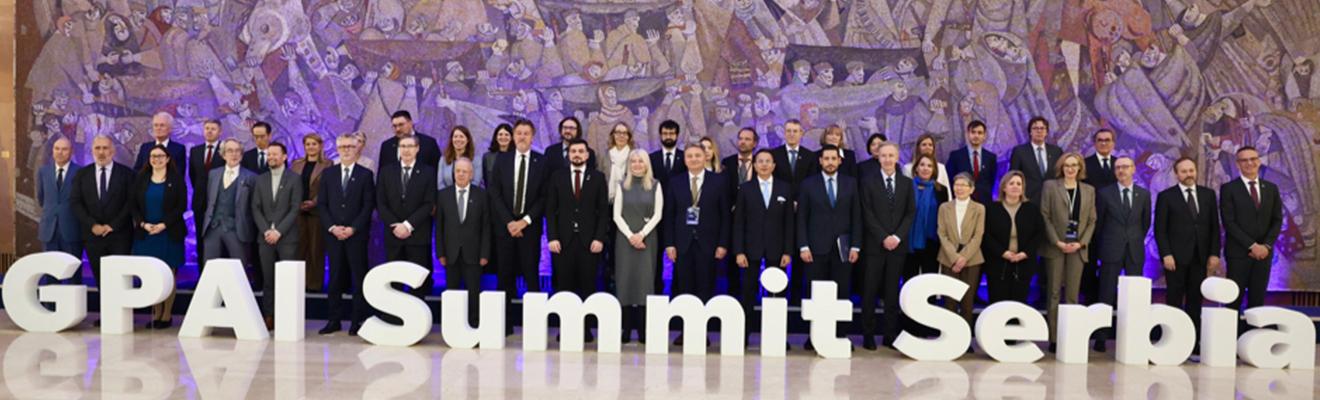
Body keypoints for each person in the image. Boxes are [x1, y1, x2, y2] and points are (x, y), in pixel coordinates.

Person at [664, 145, 731, 345]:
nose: (693, 159)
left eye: (697, 156)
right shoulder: (675, 182)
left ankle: (702, 332)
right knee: (684, 288)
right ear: (685, 160)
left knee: (706, 287)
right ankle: (686, 331)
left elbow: (725, 216)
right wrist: (669, 244)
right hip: (682, 244)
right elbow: (669, 215)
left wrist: (722, 244)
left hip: (709, 244)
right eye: (690, 156)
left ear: (705, 158)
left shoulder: (719, 181)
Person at [796, 144, 862, 349]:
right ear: (820, 161)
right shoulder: (808, 184)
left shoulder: (851, 183)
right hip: (815, 249)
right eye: (826, 158)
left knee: (842, 292)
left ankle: (840, 336)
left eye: (834, 158)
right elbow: (802, 219)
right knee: (815, 293)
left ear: (840, 161)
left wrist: (856, 246)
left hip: (843, 249)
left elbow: (857, 217)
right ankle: (814, 337)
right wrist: (803, 246)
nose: (830, 162)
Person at [489, 119, 550, 331]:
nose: (522, 137)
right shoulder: (502, 160)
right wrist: (509, 222)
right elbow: (494, 192)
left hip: (529, 229)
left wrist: (524, 222)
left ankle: (534, 327)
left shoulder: (542, 162)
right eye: (519, 133)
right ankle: (503, 325)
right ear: (513, 137)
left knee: (531, 276)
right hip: (505, 229)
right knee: (504, 276)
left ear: (532, 137)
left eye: (526, 133)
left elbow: (544, 197)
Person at [1154, 156, 1220, 349]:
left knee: (1195, 300)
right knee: (1174, 298)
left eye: (1191, 170)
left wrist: (1214, 253)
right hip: (1175, 258)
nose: (1188, 174)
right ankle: (1172, 340)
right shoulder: (1166, 196)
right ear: (1176, 174)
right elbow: (1160, 229)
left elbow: (1214, 227)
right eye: (1184, 171)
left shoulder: (1208, 195)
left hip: (1200, 258)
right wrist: (1166, 254)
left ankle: (1193, 341)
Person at [546, 139, 611, 328]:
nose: (577, 154)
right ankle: (566, 328)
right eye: (573, 151)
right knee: (564, 287)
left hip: (589, 242)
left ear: (587, 155)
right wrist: (552, 237)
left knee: (588, 286)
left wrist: (599, 238)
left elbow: (603, 212)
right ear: (568, 154)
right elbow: (550, 210)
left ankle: (586, 329)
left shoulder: (597, 177)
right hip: (563, 242)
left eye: (580, 151)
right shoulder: (557, 177)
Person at [732, 149, 793, 347]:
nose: (764, 164)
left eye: (768, 161)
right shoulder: (746, 189)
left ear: (774, 165)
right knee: (748, 294)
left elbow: (789, 223)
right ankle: (744, 337)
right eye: (760, 161)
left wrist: (787, 251)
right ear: (755, 165)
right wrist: (739, 251)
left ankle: (777, 338)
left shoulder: (785, 188)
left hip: (777, 251)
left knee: (777, 296)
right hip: (751, 250)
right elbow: (739, 222)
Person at [317, 134, 377, 336]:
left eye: (350, 146)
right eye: (342, 147)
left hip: (356, 236)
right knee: (334, 277)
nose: (346, 150)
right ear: (337, 149)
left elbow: (368, 206)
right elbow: (322, 204)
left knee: (358, 277)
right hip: (333, 235)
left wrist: (353, 228)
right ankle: (333, 320)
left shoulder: (365, 174)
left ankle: (356, 321)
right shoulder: (329, 174)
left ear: (357, 148)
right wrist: (332, 227)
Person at [858, 142, 915, 350]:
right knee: (870, 291)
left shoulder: (907, 183)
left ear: (897, 157)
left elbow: (910, 213)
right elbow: (867, 213)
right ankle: (868, 334)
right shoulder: (867, 182)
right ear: (878, 158)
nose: (888, 159)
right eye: (884, 156)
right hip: (875, 245)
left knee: (892, 292)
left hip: (897, 247)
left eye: (891, 155)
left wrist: (897, 237)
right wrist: (883, 236)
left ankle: (890, 335)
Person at [1039, 152, 1097, 352]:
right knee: (1054, 293)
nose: (1070, 168)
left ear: (1080, 168)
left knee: (1072, 294)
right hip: (1055, 246)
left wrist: (1082, 243)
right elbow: (1044, 215)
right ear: (1061, 167)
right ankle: (1054, 338)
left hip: (1077, 248)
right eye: (1067, 165)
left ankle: (1069, 336)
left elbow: (1092, 220)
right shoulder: (1050, 186)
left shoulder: (1089, 190)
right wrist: (1056, 241)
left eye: (1074, 165)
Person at [1092, 157, 1150, 352]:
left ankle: (1133, 336)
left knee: (1134, 295)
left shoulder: (1143, 194)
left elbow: (1145, 222)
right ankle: (1101, 336)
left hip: (1134, 249)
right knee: (1106, 292)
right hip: (1111, 248)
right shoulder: (1104, 193)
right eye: (1118, 167)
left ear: (1133, 169)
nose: (1121, 170)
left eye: (1125, 167)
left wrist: (1133, 238)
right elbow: (1098, 224)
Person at [131, 145, 187, 329]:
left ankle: (167, 314)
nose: (157, 159)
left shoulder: (176, 180)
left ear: (168, 159)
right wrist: (143, 224)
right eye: (153, 156)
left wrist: (163, 225)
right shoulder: (141, 178)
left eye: (161, 156)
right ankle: (156, 314)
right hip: (146, 234)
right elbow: (134, 207)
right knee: (153, 276)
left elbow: (181, 206)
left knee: (169, 275)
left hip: (169, 233)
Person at [1219, 146, 1282, 311]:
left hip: (1264, 255)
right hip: (1238, 254)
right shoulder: (1228, 189)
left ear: (1259, 161)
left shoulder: (1271, 188)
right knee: (1233, 300)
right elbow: (1229, 223)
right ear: (1238, 164)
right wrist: (1252, 246)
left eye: (1253, 159)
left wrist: (1266, 246)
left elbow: (1277, 220)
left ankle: (1254, 334)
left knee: (1257, 301)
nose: (1249, 163)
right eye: (1244, 160)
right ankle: (1231, 336)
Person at [71, 135, 135, 292]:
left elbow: (131, 203)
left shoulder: (127, 174)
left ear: (112, 151)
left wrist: (113, 225)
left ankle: (121, 316)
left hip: (120, 235)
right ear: (92, 151)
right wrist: (92, 225)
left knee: (120, 278)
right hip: (93, 236)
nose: (101, 152)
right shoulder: (82, 174)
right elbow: (76, 202)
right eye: (97, 148)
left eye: (105, 148)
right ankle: (106, 316)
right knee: (101, 278)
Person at [378, 135, 439, 296]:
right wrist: (396, 225)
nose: (406, 150)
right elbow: (381, 203)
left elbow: (428, 203)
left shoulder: (428, 172)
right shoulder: (386, 172)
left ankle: (418, 319)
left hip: (417, 234)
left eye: (410, 146)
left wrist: (407, 225)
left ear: (417, 149)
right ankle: (394, 318)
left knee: (417, 283)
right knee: (394, 282)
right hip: (393, 235)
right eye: (403, 146)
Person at [614, 149, 664, 344]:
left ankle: (643, 330)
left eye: (640, 161)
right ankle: (626, 329)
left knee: (645, 282)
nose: (636, 164)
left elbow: (658, 214)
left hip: (647, 239)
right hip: (625, 240)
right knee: (625, 281)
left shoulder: (655, 185)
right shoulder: (621, 186)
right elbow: (616, 215)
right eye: (633, 161)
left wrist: (641, 234)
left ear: (646, 164)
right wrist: (631, 236)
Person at [251, 142, 303, 330]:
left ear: (284, 157)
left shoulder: (295, 179)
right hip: (264, 238)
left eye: (275, 154)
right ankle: (269, 316)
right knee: (268, 279)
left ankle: (287, 316)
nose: (271, 157)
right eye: (268, 155)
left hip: (287, 237)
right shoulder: (260, 179)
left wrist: (278, 231)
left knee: (287, 280)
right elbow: (255, 208)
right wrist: (267, 231)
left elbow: (294, 208)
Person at [436, 158, 491, 328]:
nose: (460, 174)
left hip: (474, 254)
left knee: (474, 291)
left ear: (471, 174)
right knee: (451, 291)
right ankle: (452, 326)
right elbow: (439, 227)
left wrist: (484, 254)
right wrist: (440, 253)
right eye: (458, 171)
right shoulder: (443, 195)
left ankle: (474, 324)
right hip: (451, 254)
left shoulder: (481, 195)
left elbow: (486, 227)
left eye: (464, 171)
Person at [902, 154, 949, 337]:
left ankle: (927, 325)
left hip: (931, 244)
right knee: (909, 285)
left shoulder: (941, 190)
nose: (925, 168)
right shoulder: (906, 187)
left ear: (934, 170)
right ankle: (908, 326)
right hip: (909, 244)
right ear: (916, 168)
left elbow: (944, 216)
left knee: (928, 286)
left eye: (929, 165)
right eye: (922, 165)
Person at [773, 119, 820, 303]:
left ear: (802, 133)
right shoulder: (774, 155)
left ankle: (797, 299)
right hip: (779, 213)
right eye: (789, 130)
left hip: (803, 212)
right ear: (784, 133)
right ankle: (778, 297)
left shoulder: (810, 156)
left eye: (795, 131)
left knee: (802, 257)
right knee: (779, 256)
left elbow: (812, 183)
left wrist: (800, 202)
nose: (792, 134)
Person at [201, 139, 257, 273]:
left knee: (239, 270)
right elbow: (210, 199)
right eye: (230, 151)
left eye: (238, 151)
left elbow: (253, 206)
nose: (234, 154)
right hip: (213, 227)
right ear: (223, 154)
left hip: (237, 230)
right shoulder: (213, 174)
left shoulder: (251, 177)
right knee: (209, 269)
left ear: (242, 155)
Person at [938, 173, 985, 328]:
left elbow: (978, 235)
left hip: (972, 259)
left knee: (967, 300)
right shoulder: (944, 207)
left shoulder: (979, 208)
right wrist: (954, 257)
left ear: (971, 189)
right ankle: (949, 336)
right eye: (956, 184)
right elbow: (942, 233)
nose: (959, 188)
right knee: (949, 300)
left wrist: (963, 257)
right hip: (948, 257)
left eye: (963, 185)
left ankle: (964, 338)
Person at [1080, 129, 1119, 304]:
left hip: (1113, 224)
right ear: (1094, 143)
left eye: (1107, 140)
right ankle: (1090, 301)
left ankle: (1108, 302)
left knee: (1110, 266)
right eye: (1100, 140)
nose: (1104, 143)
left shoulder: (1120, 165)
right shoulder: (1085, 164)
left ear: (1113, 143)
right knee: (1089, 265)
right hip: (1090, 222)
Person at [38, 138, 84, 281]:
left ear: (71, 151)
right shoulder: (43, 171)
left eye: (64, 149)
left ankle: (74, 304)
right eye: (57, 148)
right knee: (50, 274)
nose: (60, 152)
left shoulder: (81, 172)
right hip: (49, 230)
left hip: (72, 230)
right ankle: (51, 304)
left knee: (73, 275)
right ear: (52, 151)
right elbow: (41, 198)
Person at [648, 119, 684, 293]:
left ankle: (677, 292)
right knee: (655, 256)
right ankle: (655, 291)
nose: (668, 136)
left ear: (677, 135)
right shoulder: (650, 158)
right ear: (660, 135)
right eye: (665, 133)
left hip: (678, 216)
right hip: (654, 215)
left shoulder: (685, 158)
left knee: (678, 256)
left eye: (671, 133)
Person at [293, 133, 331, 292]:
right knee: (300, 249)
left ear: (320, 145)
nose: (311, 147)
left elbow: (327, 187)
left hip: (317, 212)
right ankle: (300, 283)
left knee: (316, 250)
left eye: (314, 144)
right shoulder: (296, 164)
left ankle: (314, 285)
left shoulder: (328, 165)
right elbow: (291, 185)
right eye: (308, 144)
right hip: (298, 212)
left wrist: (314, 202)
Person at [188, 120, 224, 263]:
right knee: (201, 238)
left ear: (220, 131)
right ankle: (203, 274)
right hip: (200, 203)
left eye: (213, 129)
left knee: (218, 239)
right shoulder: (195, 151)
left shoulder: (225, 150)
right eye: (207, 128)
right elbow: (193, 176)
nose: (209, 131)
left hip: (220, 203)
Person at [1008, 117, 1063, 203]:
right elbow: (1013, 175)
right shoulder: (1019, 151)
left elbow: (1060, 175)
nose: (1039, 131)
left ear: (1046, 132)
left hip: (1052, 199)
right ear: (1030, 132)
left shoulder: (1056, 151)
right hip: (1027, 199)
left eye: (1042, 128)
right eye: (1035, 128)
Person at [945, 121, 997, 204]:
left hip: (984, 203)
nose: (976, 135)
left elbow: (991, 180)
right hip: (961, 201)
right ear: (967, 134)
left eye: (980, 133)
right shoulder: (955, 156)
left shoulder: (991, 157)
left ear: (984, 136)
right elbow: (950, 179)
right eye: (973, 132)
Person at [901, 134, 951, 200]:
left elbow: (947, 192)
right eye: (924, 145)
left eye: (930, 145)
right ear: (918, 147)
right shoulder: (908, 168)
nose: (927, 147)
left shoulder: (941, 167)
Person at [602, 122, 636, 202]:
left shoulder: (635, 155)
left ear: (629, 137)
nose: (621, 136)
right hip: (608, 200)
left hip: (629, 201)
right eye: (618, 132)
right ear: (613, 135)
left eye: (625, 133)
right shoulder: (605, 155)